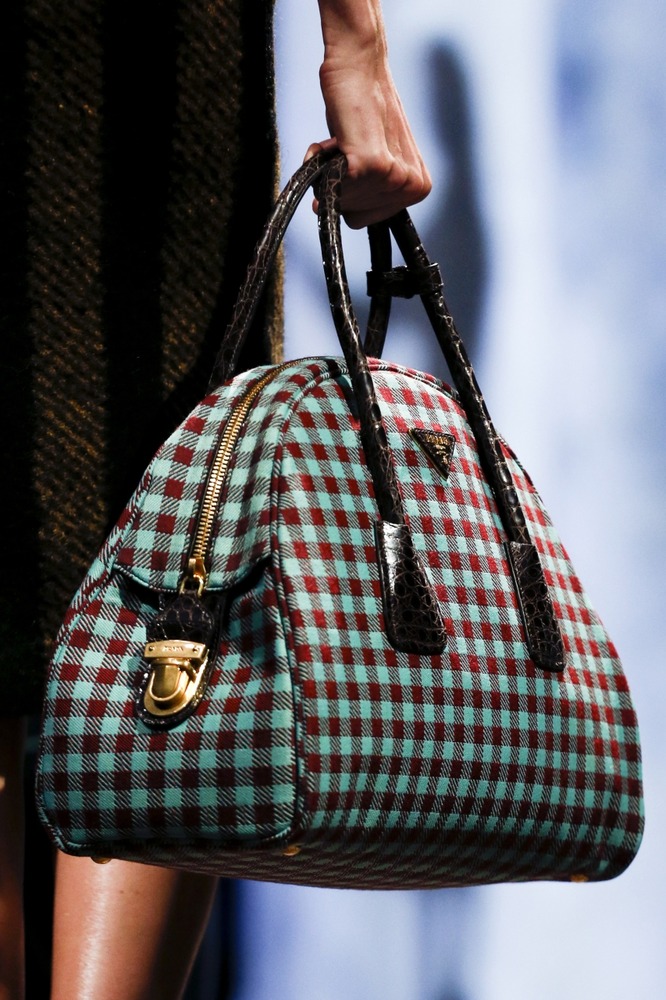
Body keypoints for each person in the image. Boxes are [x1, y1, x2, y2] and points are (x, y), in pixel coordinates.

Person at [0, 1, 430, 998]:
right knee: (177, 547)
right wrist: (356, 42)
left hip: (143, 78)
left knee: (182, 557)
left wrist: (356, 41)